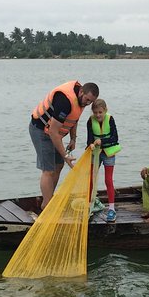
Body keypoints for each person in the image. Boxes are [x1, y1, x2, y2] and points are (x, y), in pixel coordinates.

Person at [29, 80, 99, 209]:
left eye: (90, 102)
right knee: (48, 170)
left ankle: (48, 199)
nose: (87, 103)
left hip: (55, 133)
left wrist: (73, 139)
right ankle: (47, 206)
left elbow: (74, 117)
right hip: (41, 130)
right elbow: (52, 131)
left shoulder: (80, 100)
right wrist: (66, 155)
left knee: (59, 165)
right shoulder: (64, 101)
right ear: (81, 91)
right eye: (87, 99)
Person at [86, 99, 121, 222]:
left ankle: (111, 209)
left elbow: (115, 137)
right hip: (96, 153)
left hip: (109, 153)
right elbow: (89, 138)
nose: (98, 115)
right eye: (95, 112)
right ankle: (89, 205)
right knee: (91, 179)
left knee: (108, 180)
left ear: (105, 110)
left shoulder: (110, 119)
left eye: (100, 112)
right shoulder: (90, 121)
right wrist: (90, 144)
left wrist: (102, 141)